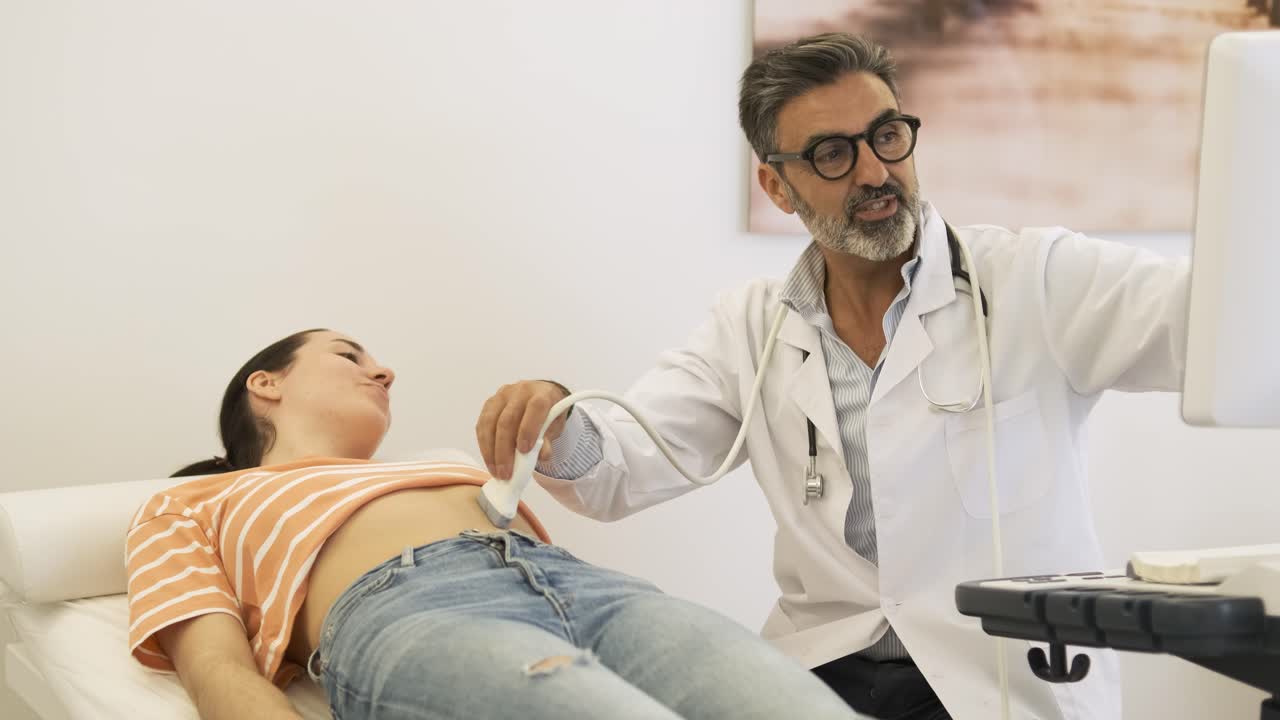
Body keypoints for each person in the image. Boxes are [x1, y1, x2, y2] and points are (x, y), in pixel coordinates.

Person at [476, 32, 1190, 720]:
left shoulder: (1035, 281)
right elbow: (620, 466)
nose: (876, 173)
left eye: (887, 136)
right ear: (777, 185)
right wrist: (558, 419)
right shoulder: (752, 328)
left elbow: (1207, 322)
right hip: (824, 670)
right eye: (832, 154)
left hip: (992, 672)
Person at [125, 328, 862, 720]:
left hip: (598, 594)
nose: (383, 373)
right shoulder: (195, 502)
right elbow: (215, 666)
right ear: (267, 383)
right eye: (351, 354)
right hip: (415, 614)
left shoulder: (439, 465)